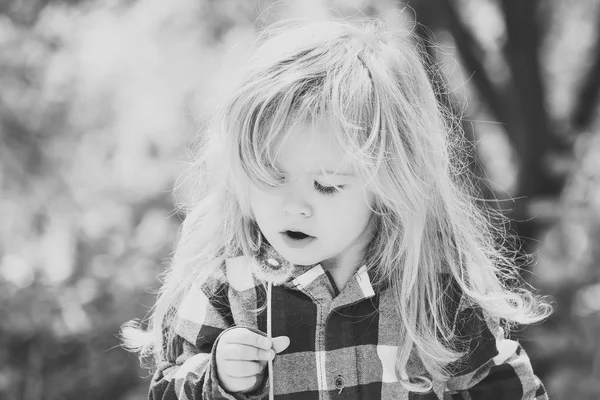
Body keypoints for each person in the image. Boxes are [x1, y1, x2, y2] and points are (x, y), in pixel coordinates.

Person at [122, 18, 552, 400]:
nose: (294, 206)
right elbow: (167, 386)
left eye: (326, 186)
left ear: (388, 185)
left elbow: (506, 387)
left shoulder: (431, 288)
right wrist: (219, 377)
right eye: (270, 178)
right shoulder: (227, 287)